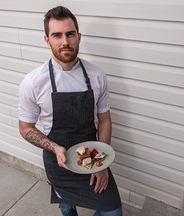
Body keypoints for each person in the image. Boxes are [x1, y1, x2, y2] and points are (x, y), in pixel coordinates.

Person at [18, 5, 122, 216]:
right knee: (66, 207)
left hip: (92, 157)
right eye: (57, 35)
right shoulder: (33, 82)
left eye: (70, 34)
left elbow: (104, 121)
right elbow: (26, 128)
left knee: (113, 211)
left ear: (79, 36)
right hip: (58, 163)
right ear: (47, 39)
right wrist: (54, 148)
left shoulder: (96, 75)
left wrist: (101, 164)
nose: (65, 42)